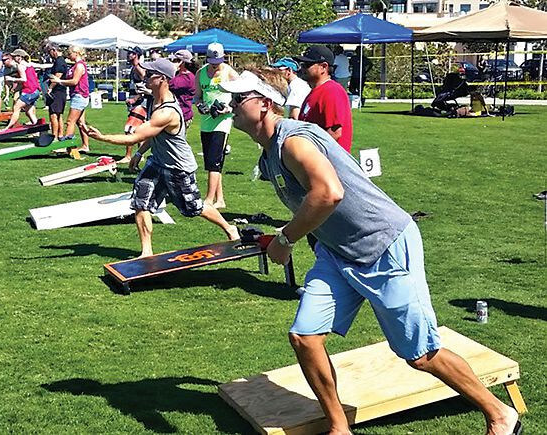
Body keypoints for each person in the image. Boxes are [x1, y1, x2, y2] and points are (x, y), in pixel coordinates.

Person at [219, 68, 523, 435]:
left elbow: (329, 193)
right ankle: (338, 428)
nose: (231, 105)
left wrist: (285, 240)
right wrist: (277, 236)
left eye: (239, 99)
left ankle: (499, 413)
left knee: (421, 355)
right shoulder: (269, 154)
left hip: (384, 245)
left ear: (265, 104)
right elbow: (313, 204)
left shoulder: (293, 141)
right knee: (305, 336)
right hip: (338, 254)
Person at [84, 58, 239, 257]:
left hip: (178, 167)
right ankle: (146, 251)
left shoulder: (167, 111)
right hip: (157, 162)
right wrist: (139, 153)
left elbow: (138, 135)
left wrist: (101, 137)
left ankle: (229, 228)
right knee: (140, 201)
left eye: (150, 74)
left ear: (163, 79)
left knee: (193, 207)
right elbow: (151, 136)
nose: (146, 76)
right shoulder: (153, 100)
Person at [194, 42, 239, 209]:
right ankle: (220, 199)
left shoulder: (230, 73)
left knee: (214, 161)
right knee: (212, 162)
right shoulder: (200, 73)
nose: (214, 66)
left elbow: (241, 95)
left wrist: (228, 108)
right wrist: (200, 106)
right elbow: (197, 97)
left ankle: (208, 199)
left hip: (223, 122)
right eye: (212, 63)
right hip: (206, 122)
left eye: (217, 62)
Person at [295, 45, 353, 154]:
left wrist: (309, 155)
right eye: (302, 65)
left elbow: (334, 132)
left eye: (307, 65)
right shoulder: (314, 92)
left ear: (323, 67)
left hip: (329, 164)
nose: (302, 69)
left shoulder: (331, 91)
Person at [49, 45, 90, 153]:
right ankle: (85, 146)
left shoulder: (80, 66)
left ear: (76, 53)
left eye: (70, 53)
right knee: (80, 123)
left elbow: (75, 81)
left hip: (79, 95)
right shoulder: (76, 65)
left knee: (70, 121)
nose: (68, 55)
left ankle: (66, 146)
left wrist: (59, 81)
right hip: (77, 95)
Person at [120, 46, 149, 164]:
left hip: (141, 103)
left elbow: (145, 86)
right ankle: (140, 154)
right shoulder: (134, 68)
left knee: (129, 129)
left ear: (136, 55)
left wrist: (135, 99)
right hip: (138, 102)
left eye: (130, 53)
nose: (128, 55)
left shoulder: (139, 68)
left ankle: (128, 156)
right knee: (139, 130)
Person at [0, 49, 40, 131]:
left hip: (29, 91)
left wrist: (12, 79)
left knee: (16, 108)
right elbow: (42, 66)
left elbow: (24, 79)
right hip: (35, 91)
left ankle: (7, 128)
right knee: (29, 112)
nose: (13, 58)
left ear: (20, 57)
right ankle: (38, 130)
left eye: (14, 56)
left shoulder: (20, 66)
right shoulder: (29, 64)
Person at [168, 49, 198, 129]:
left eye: (175, 60)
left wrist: (173, 68)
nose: (172, 62)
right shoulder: (179, 74)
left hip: (183, 114)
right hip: (175, 113)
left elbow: (169, 84)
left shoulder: (188, 78)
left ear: (182, 62)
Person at [45, 43, 68, 141]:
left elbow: (57, 76)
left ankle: (54, 137)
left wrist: (50, 88)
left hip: (57, 91)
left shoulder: (59, 61)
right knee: (58, 115)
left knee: (53, 114)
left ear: (54, 50)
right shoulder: (59, 61)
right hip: (60, 91)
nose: (49, 54)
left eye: (49, 52)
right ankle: (60, 135)